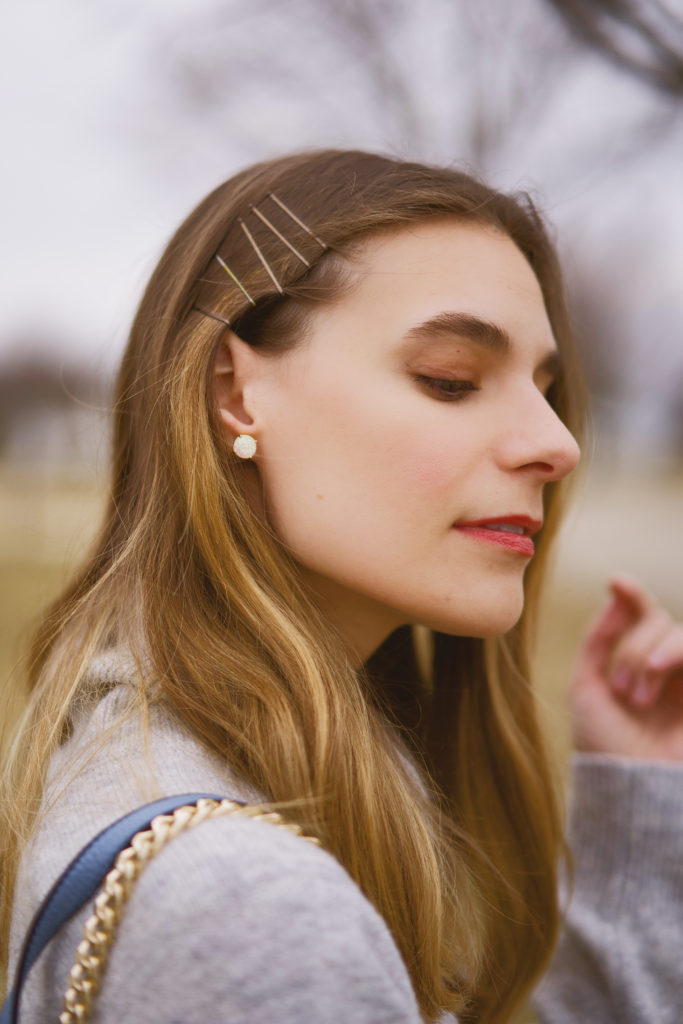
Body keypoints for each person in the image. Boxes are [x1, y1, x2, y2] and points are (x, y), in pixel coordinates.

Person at [1, 149, 682, 1024]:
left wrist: (637, 804)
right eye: (451, 380)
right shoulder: (249, 910)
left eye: (546, 391)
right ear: (235, 394)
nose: (556, 444)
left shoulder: (139, 741)